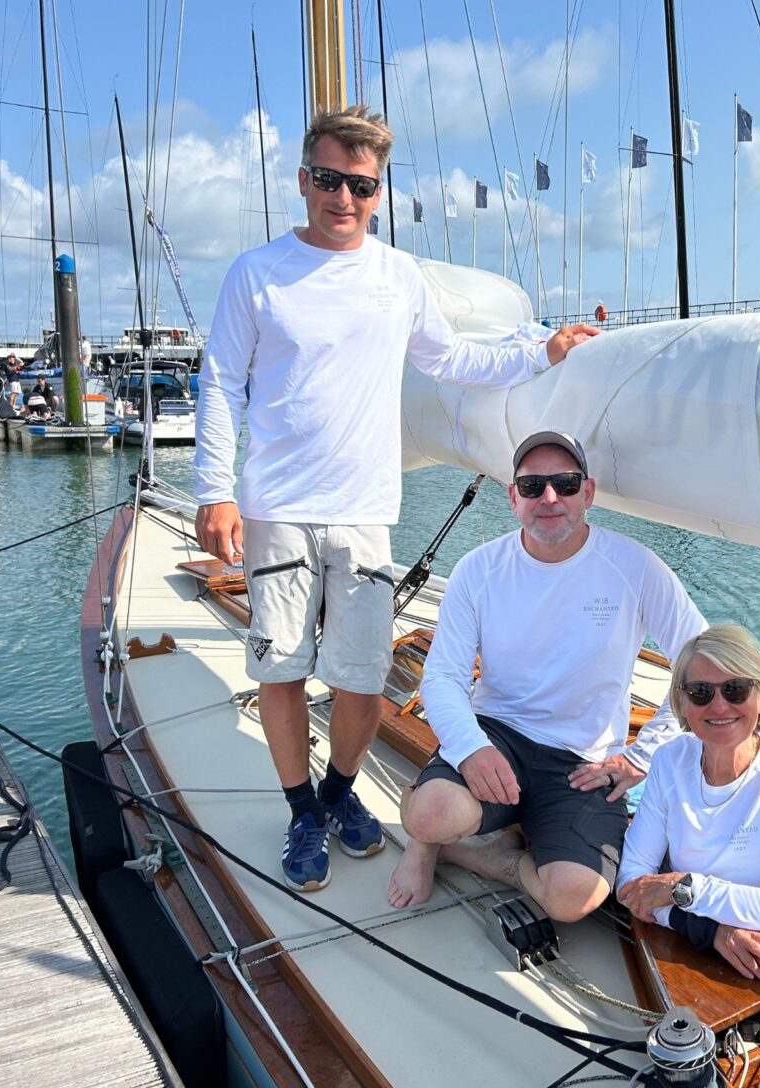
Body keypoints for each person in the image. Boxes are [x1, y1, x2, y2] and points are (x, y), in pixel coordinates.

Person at [193, 105, 604, 892]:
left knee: (360, 677)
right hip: (277, 506)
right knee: (282, 671)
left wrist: (541, 352)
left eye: (360, 185)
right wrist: (215, 490)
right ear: (303, 179)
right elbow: (219, 384)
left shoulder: (396, 276)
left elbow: (452, 359)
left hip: (364, 509)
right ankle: (301, 811)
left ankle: (337, 793)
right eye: (328, 179)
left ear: (377, 192)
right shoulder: (257, 273)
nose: (343, 197)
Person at [386, 431, 705, 921]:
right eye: (532, 486)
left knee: (574, 898)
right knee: (429, 814)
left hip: (584, 760)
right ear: (513, 497)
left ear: (588, 492)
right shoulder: (479, 569)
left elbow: (701, 661)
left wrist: (642, 756)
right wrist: (471, 749)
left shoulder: (635, 568)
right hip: (498, 734)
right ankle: (425, 845)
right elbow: (444, 675)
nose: (549, 497)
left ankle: (487, 857)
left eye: (566, 483)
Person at [617, 625, 760, 1088]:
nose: (719, 706)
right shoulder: (670, 761)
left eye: (735, 689)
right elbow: (630, 885)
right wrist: (714, 930)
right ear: (681, 702)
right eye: (701, 692)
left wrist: (682, 888)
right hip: (693, 955)